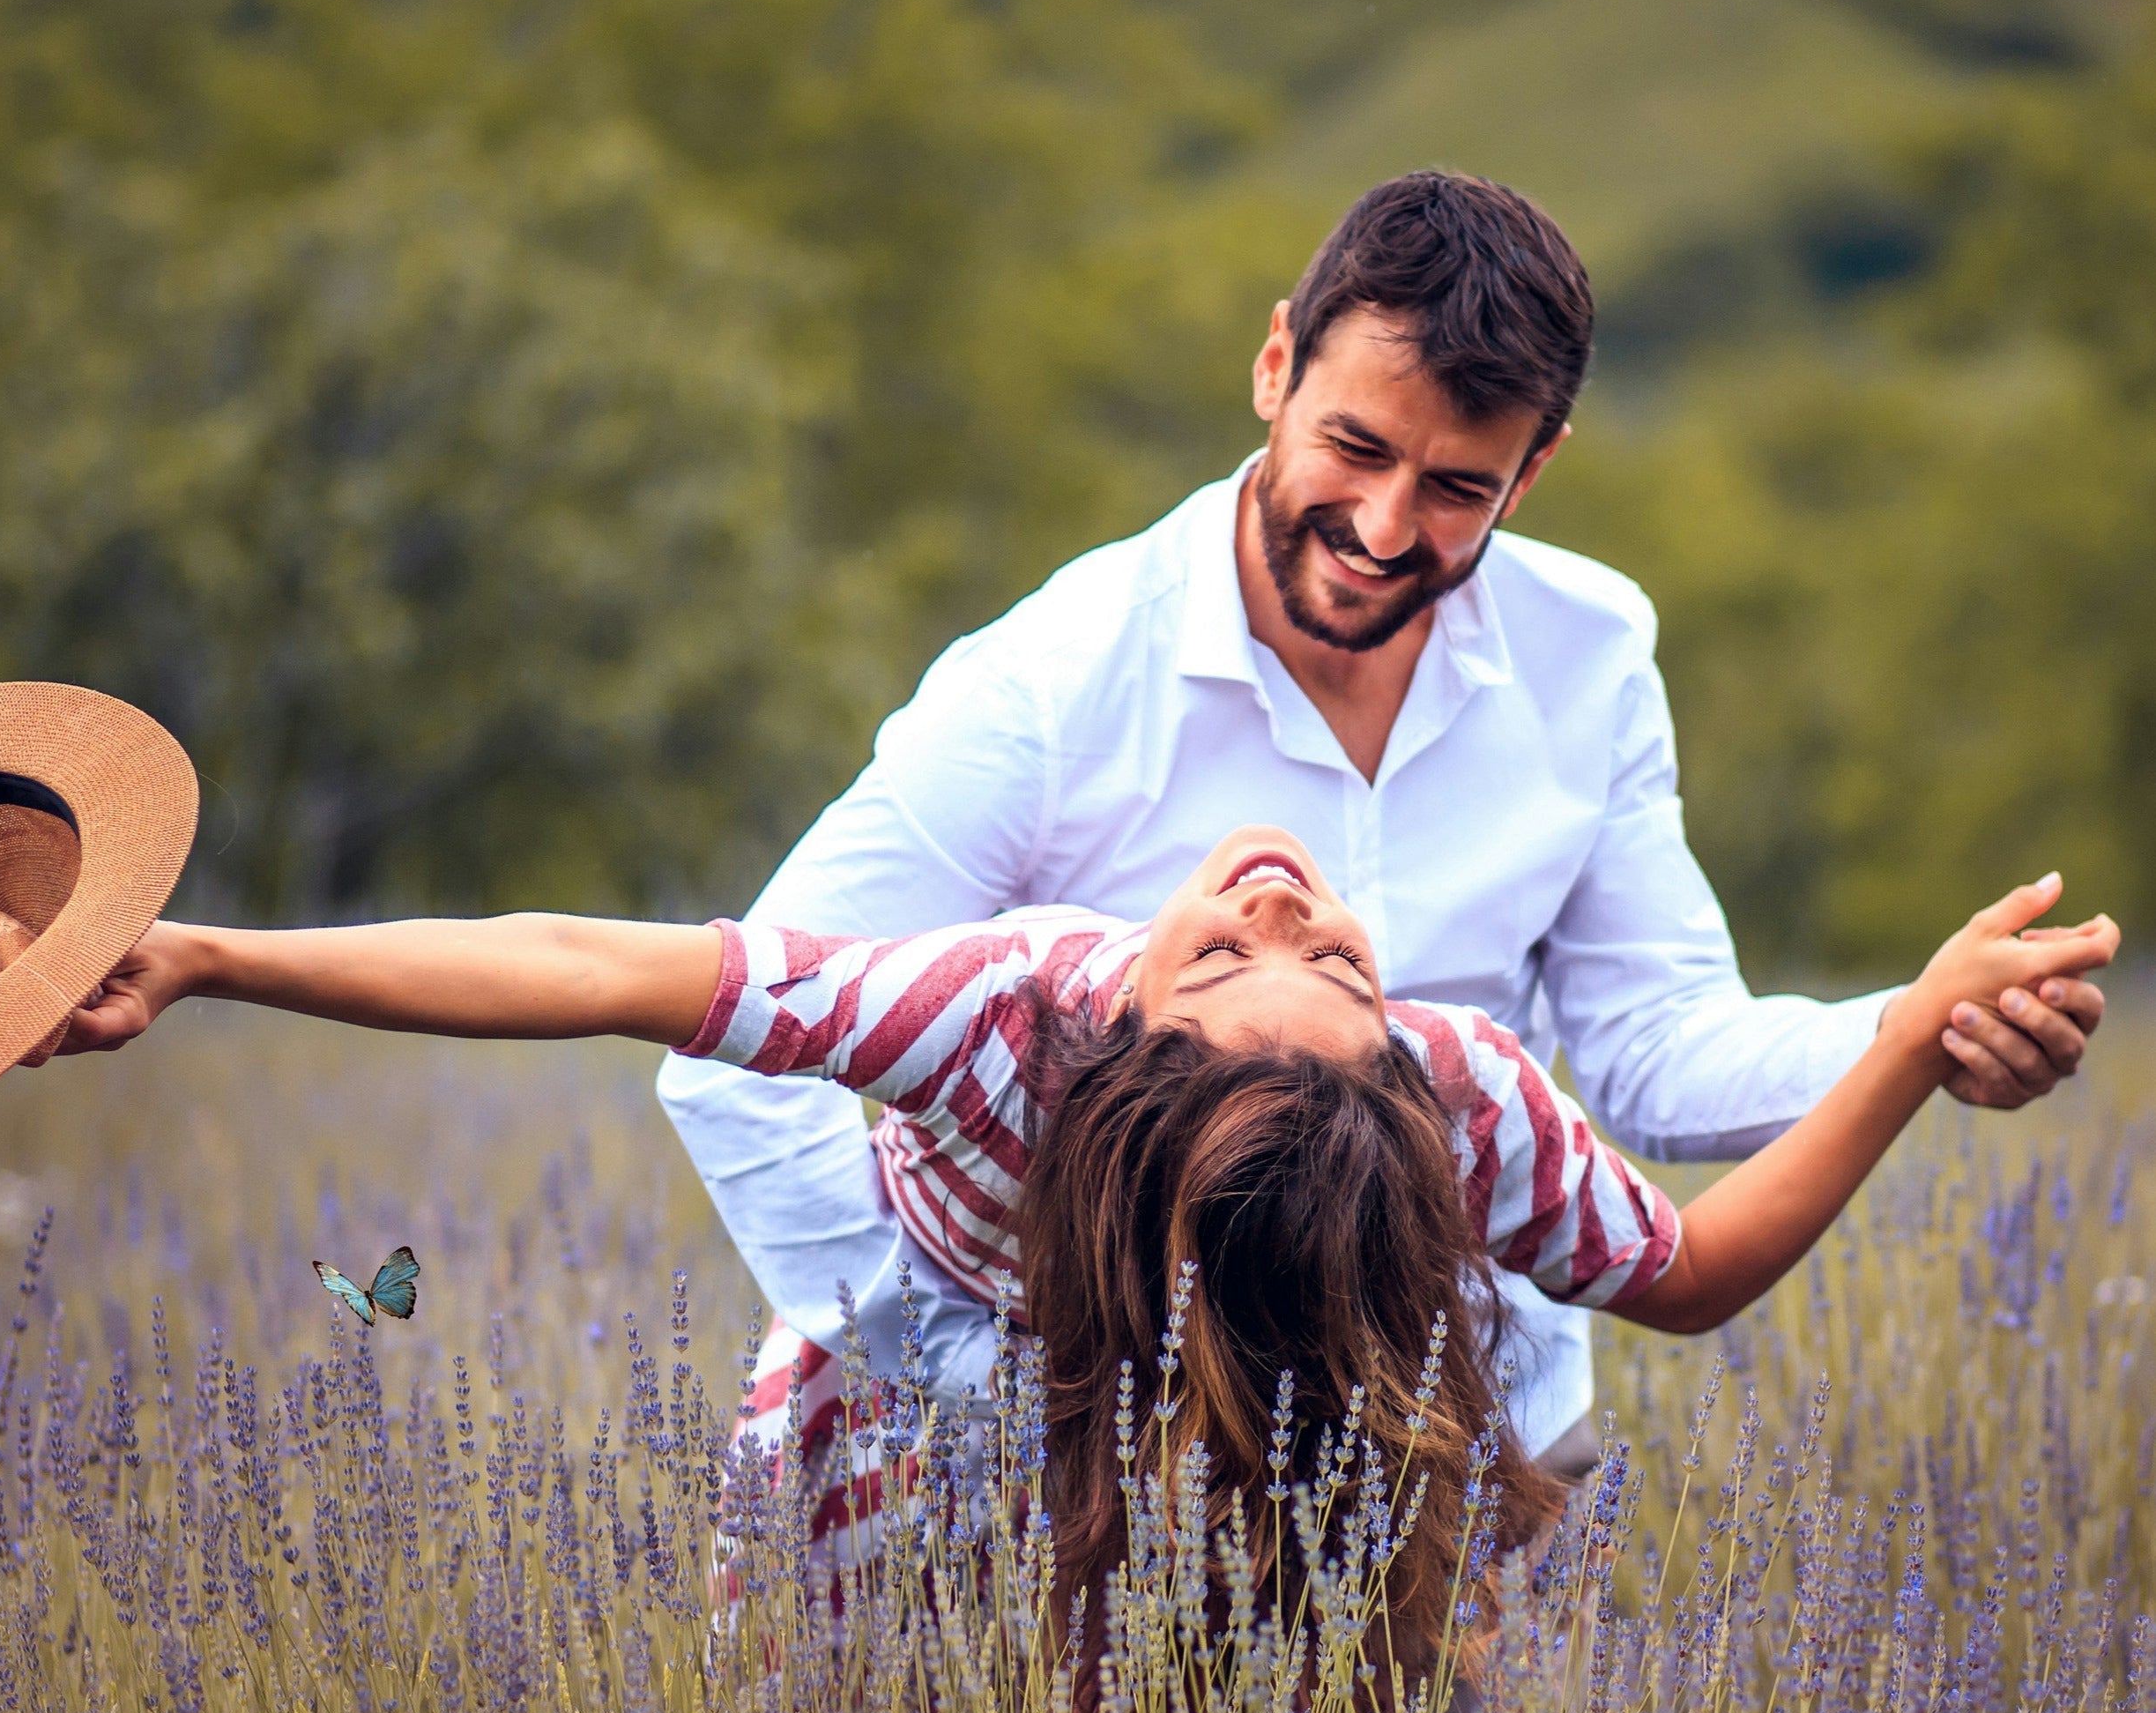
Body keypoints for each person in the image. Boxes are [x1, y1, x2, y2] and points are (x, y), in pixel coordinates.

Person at [654, 171, 2108, 1534]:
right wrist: (983, 1379)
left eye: (1456, 487)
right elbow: (731, 1049)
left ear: (1531, 472)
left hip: (1456, 1443)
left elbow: (1653, 1046)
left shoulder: (1588, 656)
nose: (1381, 525)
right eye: (1353, 447)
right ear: (1274, 367)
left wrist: (1916, 1027)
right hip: (1068, 1477)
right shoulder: (1048, 682)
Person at [26, 829, 2116, 1713]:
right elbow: (586, 970)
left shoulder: (1324, 1070)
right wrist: (208, 956)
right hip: (924, 1412)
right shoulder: (1050, 1019)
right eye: (1267, 955)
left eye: (1286, 957)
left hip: (1251, 1411)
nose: (1288, 910)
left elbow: (1696, 1271)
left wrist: (1913, 1038)